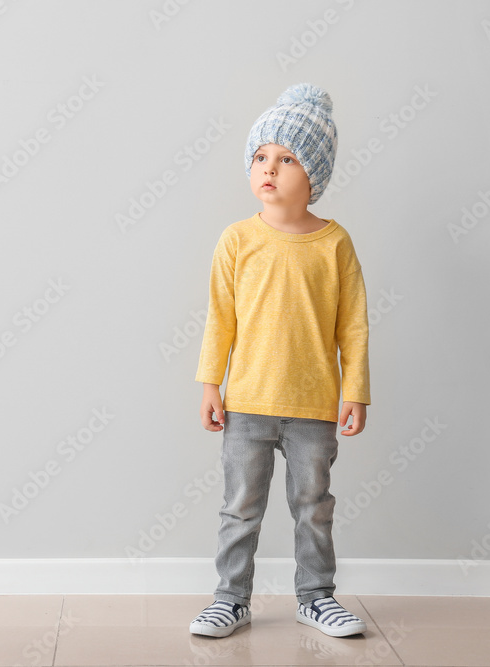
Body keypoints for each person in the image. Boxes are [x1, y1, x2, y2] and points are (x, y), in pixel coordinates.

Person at [188, 83, 370, 639]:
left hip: (314, 407)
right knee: (240, 507)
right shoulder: (237, 240)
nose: (270, 168)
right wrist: (210, 384)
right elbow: (220, 318)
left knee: (313, 505)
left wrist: (355, 391)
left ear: (313, 173)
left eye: (287, 159)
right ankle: (230, 599)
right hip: (246, 403)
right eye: (261, 157)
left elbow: (353, 325)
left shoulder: (334, 244)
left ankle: (316, 597)